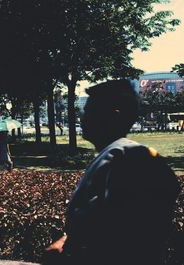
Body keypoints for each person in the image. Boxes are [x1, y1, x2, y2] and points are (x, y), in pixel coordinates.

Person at [43, 80, 180, 265]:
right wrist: (67, 241)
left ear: (114, 116)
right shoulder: (116, 155)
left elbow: (123, 234)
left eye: (90, 111)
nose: (82, 118)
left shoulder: (125, 157)